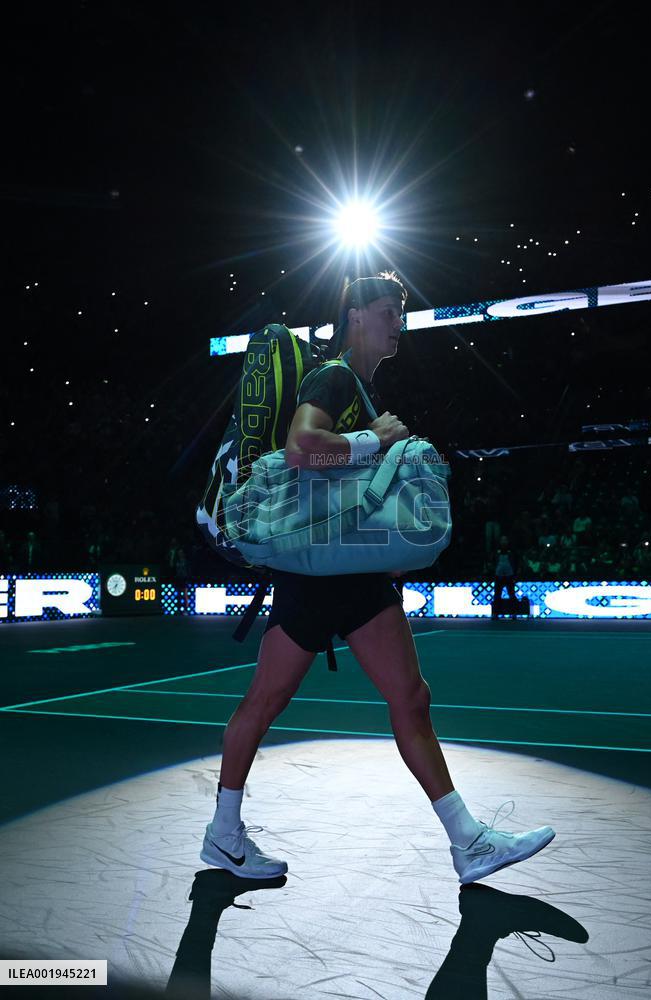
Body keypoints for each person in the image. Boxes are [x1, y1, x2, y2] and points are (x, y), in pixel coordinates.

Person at [201, 273, 554, 885]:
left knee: (408, 698)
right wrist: (376, 438)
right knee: (266, 704)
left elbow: (346, 489)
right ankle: (224, 835)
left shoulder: (361, 387)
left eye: (401, 313)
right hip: (320, 579)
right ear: (356, 315)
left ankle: (468, 842)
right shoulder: (334, 378)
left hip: (349, 575)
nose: (399, 323)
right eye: (389, 311)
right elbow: (302, 448)